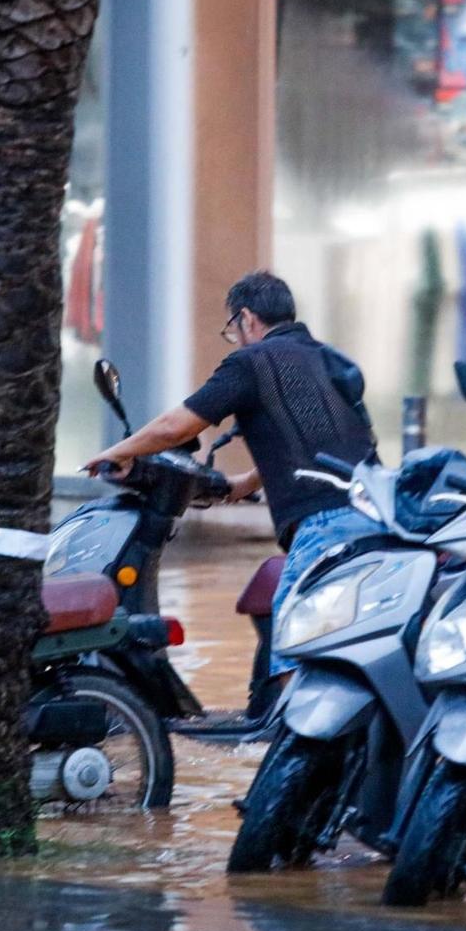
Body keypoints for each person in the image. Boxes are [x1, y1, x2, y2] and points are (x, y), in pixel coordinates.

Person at [84, 271, 382, 672]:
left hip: (325, 520)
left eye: (232, 328)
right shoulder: (324, 356)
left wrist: (116, 452)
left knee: (289, 647)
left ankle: (279, 734)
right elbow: (315, 437)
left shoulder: (251, 361)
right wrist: (244, 484)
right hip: (376, 510)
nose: (236, 337)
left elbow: (179, 426)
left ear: (246, 318)